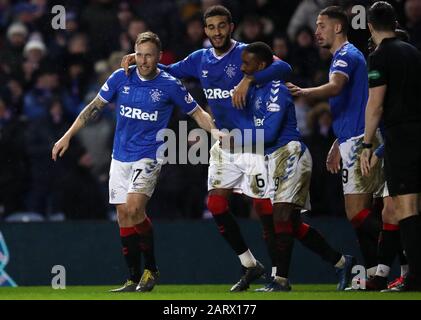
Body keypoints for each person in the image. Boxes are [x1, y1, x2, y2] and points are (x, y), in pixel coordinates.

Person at [121, 5, 293, 292]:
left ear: (231, 26)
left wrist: (249, 78)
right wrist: (139, 61)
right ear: (205, 30)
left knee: (263, 207)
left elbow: (284, 67)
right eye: (211, 27)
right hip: (223, 141)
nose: (217, 32)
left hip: (251, 141)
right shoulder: (199, 59)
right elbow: (169, 70)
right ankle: (250, 264)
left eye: (222, 26)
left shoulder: (246, 53)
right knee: (215, 204)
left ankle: (278, 277)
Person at [52, 31, 218, 292]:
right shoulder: (121, 77)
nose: (143, 60)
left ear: (159, 57)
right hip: (120, 157)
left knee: (133, 207)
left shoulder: (170, 84)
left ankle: (151, 269)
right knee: (123, 215)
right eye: (139, 55)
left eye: (149, 55)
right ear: (134, 54)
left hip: (149, 156)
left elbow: (197, 113)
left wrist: (217, 133)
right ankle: (132, 278)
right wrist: (68, 135)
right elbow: (93, 107)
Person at [237, 41, 355, 291]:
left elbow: (269, 133)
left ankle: (280, 280)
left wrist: (238, 137)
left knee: (280, 217)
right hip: (270, 159)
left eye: (246, 63)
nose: (241, 68)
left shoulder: (277, 89)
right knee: (290, 225)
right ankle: (342, 262)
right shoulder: (253, 90)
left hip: (290, 153)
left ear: (260, 65)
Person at [287, 6, 383, 279]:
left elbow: (337, 86)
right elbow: (352, 102)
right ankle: (376, 273)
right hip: (352, 138)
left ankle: (400, 248)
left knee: (357, 213)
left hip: (360, 140)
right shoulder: (346, 56)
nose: (316, 32)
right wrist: (337, 143)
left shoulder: (346, 55)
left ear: (338, 27)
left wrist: (305, 92)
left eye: (321, 25)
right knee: (363, 213)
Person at [360, 1, 421, 292]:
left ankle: (414, 278)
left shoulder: (380, 55)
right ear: (395, 23)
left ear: (370, 26)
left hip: (401, 136)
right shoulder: (413, 51)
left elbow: (375, 104)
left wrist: (366, 144)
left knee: (406, 206)